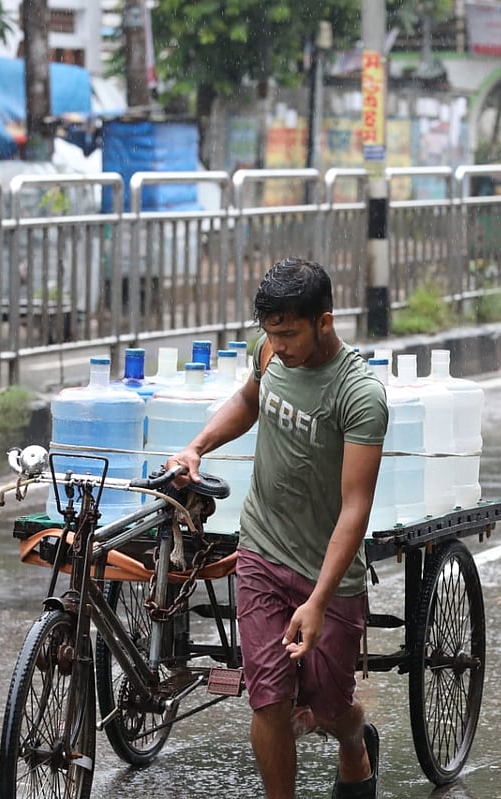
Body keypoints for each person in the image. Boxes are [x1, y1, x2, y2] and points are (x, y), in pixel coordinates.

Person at [166, 257, 388, 799]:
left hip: (327, 575)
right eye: (271, 333)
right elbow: (250, 400)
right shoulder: (268, 354)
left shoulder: (359, 395)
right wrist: (197, 446)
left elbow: (355, 507)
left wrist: (318, 601)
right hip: (262, 551)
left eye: (289, 334)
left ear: (324, 321)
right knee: (269, 700)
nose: (279, 345)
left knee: (329, 708)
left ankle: (355, 741)